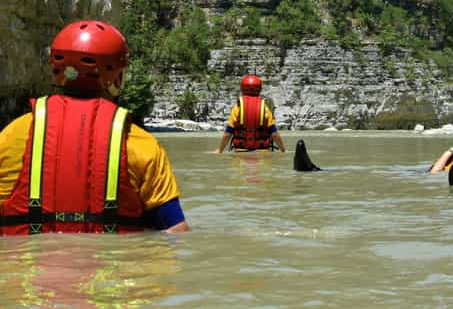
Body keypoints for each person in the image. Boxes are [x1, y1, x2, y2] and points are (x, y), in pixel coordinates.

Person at [0, 20, 190, 235]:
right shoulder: (140, 144)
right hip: (111, 264)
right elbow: (177, 231)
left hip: (24, 265)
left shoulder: (12, 135)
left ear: (56, 72)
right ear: (116, 78)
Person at [214, 75, 286, 153]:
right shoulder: (265, 108)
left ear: (242, 88)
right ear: (259, 89)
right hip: (262, 152)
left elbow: (228, 133)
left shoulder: (237, 108)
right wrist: (283, 150)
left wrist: (220, 150)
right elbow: (274, 134)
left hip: (240, 151)